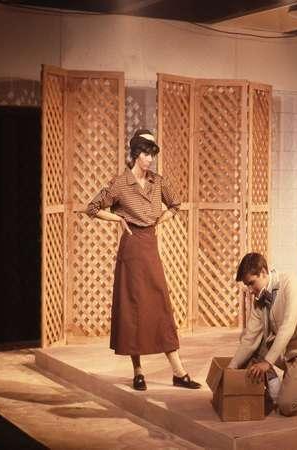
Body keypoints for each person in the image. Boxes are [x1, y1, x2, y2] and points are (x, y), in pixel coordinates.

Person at [85, 128, 200, 391]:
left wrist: (161, 220)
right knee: (133, 309)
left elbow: (175, 205)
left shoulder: (158, 182)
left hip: (150, 245)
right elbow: (91, 208)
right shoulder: (119, 184)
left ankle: (178, 372)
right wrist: (119, 218)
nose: (150, 159)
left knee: (160, 306)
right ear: (136, 154)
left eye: (152, 154)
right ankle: (138, 371)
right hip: (132, 248)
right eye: (146, 154)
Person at [229, 253, 297, 417]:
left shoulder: (289, 283)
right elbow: (250, 337)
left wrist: (267, 363)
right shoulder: (260, 297)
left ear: (264, 272)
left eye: (251, 283)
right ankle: (277, 385)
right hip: (285, 355)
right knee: (248, 347)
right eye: (247, 285)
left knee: (286, 407)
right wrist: (231, 368)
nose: (250, 290)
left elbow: (288, 326)